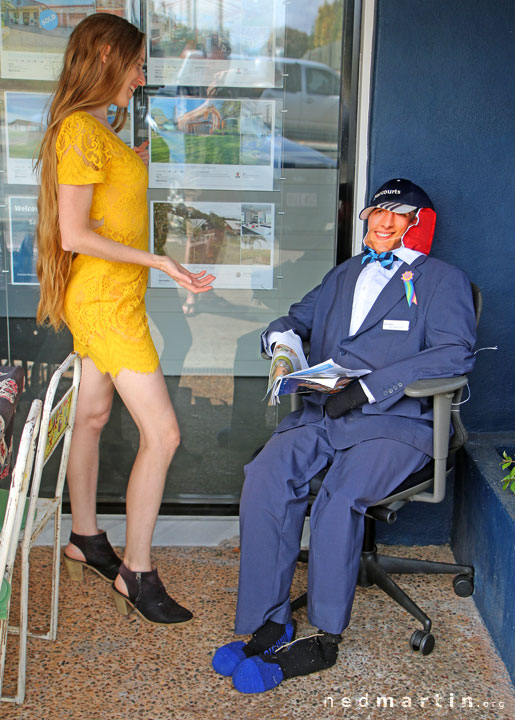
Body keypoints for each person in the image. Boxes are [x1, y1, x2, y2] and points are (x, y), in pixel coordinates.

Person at [212, 178, 477, 692]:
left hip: (397, 423)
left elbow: (455, 353)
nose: (382, 223)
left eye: (397, 216)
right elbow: (295, 319)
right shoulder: (344, 275)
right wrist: (282, 343)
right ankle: (270, 618)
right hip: (322, 413)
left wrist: (368, 390)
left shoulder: (443, 280)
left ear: (417, 225)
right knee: (264, 474)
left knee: (338, 498)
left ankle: (326, 634)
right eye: (376, 213)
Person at [36, 14, 214, 625]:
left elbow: (111, 184)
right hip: (108, 302)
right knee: (163, 435)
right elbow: (75, 231)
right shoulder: (80, 132)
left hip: (111, 297)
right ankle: (135, 571)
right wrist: (160, 260)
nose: (141, 78)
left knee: (91, 414)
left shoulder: (94, 129)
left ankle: (85, 537)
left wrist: (145, 151)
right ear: (109, 55)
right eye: (138, 65)